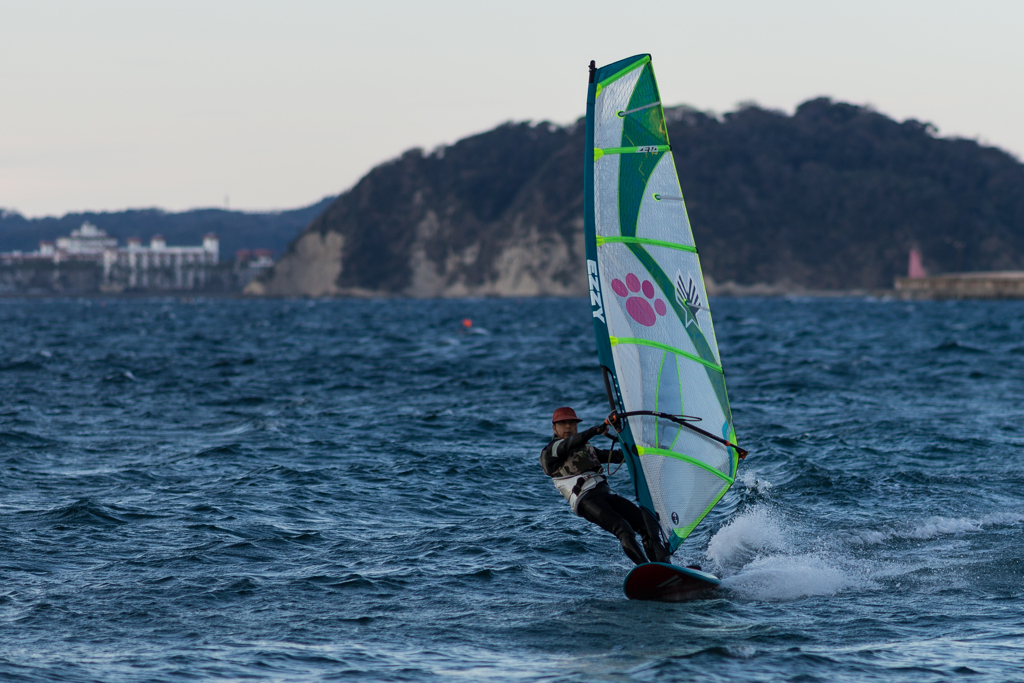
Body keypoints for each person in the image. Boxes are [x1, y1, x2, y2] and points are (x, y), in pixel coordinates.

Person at [540, 406, 669, 565]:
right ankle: (646, 570)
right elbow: (569, 444)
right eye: (563, 423)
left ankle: (663, 566)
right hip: (586, 500)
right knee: (624, 530)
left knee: (646, 525)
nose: (568, 427)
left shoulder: (585, 448)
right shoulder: (550, 451)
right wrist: (596, 430)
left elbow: (616, 456)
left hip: (607, 494)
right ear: (554, 428)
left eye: (572, 423)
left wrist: (647, 450)